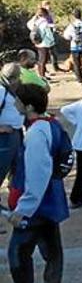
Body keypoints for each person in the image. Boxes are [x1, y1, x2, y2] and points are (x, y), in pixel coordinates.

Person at [4, 84, 69, 283]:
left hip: (36, 205)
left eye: (18, 101)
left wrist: (24, 209)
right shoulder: (50, 124)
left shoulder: (36, 134)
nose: (15, 105)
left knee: (18, 254)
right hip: (50, 200)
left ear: (28, 106)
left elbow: (38, 174)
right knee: (52, 246)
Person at [0, 64, 24, 201]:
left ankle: (14, 201)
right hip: (4, 138)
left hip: (16, 134)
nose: (21, 78)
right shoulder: (1, 91)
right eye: (18, 76)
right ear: (12, 78)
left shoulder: (12, 89)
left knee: (16, 171)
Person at [29, 7, 57, 78]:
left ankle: (41, 74)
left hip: (37, 42)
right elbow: (48, 34)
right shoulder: (45, 23)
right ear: (45, 14)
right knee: (43, 60)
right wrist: (52, 41)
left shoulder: (36, 22)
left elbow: (29, 25)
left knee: (41, 59)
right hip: (45, 43)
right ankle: (42, 76)